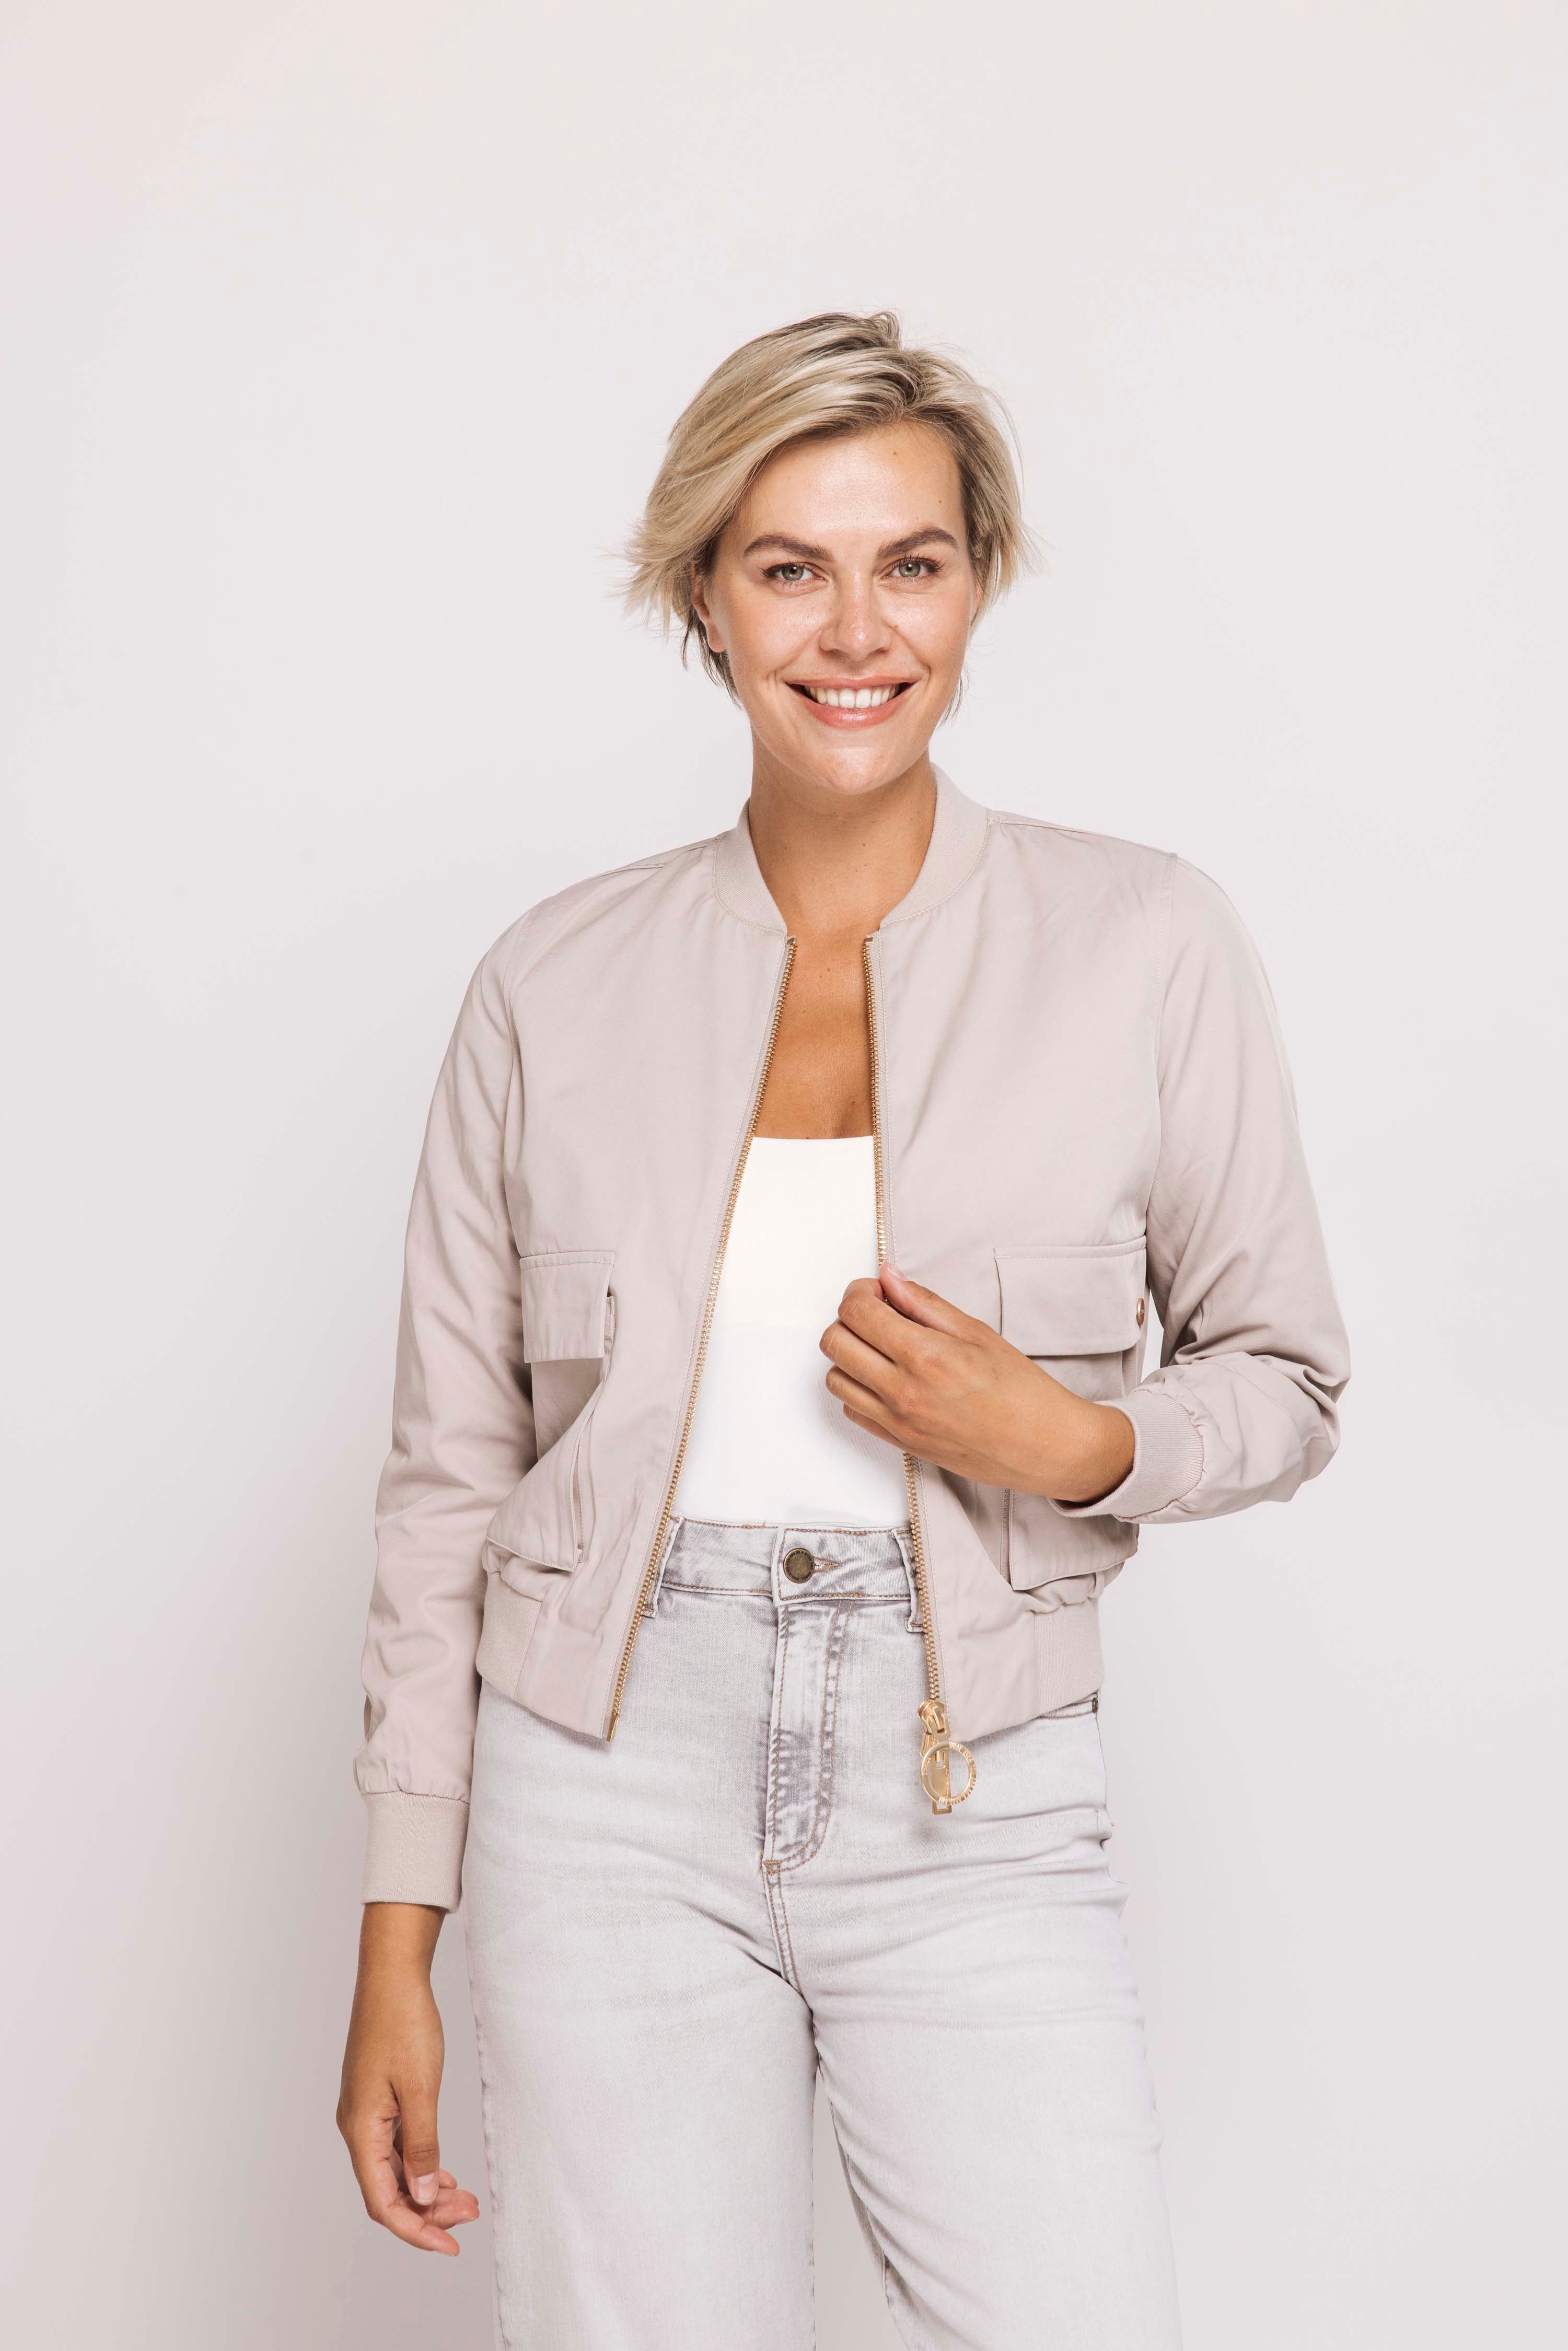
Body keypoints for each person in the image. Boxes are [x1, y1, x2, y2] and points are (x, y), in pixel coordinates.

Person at [336, 310, 1350, 2349]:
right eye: (789, 565)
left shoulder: (1141, 938)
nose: (855, 629)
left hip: (973, 1777)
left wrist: (1076, 1443)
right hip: (599, 1790)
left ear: (979, 583)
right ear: (701, 594)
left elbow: (1287, 1376)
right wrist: (397, 1934)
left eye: (913, 562)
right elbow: (451, 1478)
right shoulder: (550, 981)